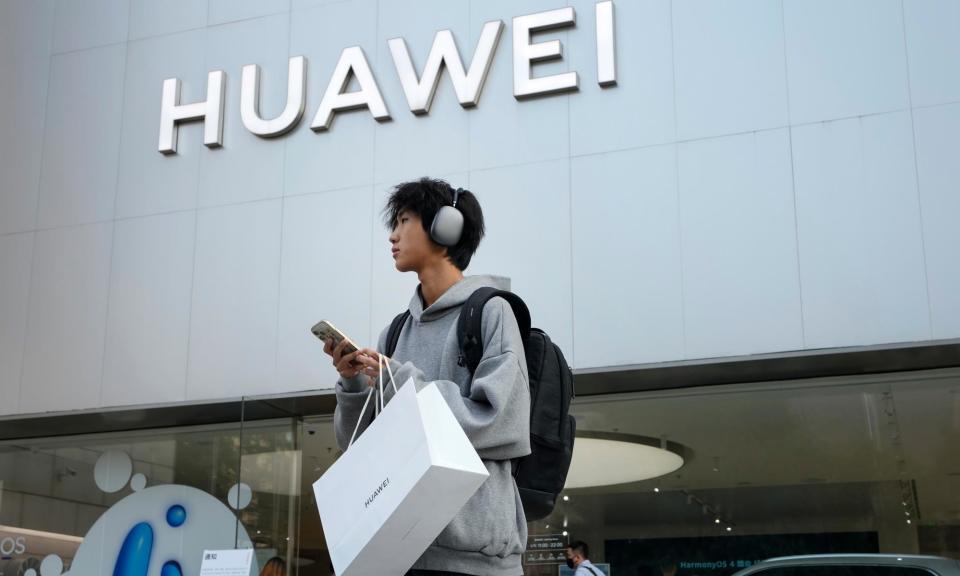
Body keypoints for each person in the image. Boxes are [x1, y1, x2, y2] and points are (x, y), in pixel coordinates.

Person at [323, 177, 531, 576]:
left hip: (477, 562)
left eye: (403, 221)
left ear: (445, 227)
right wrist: (352, 385)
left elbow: (503, 422)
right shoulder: (397, 332)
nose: (393, 235)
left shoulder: (492, 312)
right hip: (399, 554)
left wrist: (401, 381)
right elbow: (363, 448)